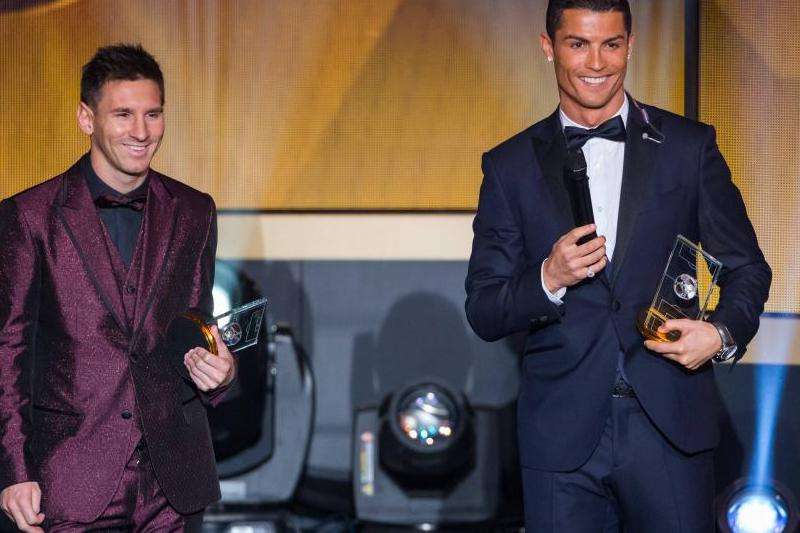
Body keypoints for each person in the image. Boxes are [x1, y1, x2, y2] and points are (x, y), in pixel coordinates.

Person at [465, 1, 771, 531]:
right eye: (578, 44)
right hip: (560, 435)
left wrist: (720, 334)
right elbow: (484, 309)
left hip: (671, 426)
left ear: (630, 46)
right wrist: (548, 277)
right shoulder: (509, 166)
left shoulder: (688, 147)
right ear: (548, 47)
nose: (596, 62)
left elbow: (748, 269)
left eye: (611, 44)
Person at [0, 44, 235, 531]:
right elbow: (9, 350)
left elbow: (194, 327)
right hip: (69, 478)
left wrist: (221, 370)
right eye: (123, 114)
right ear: (86, 118)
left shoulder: (194, 211)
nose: (142, 132)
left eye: (153, 114)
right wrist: (14, 471)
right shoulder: (29, 216)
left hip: (171, 483)